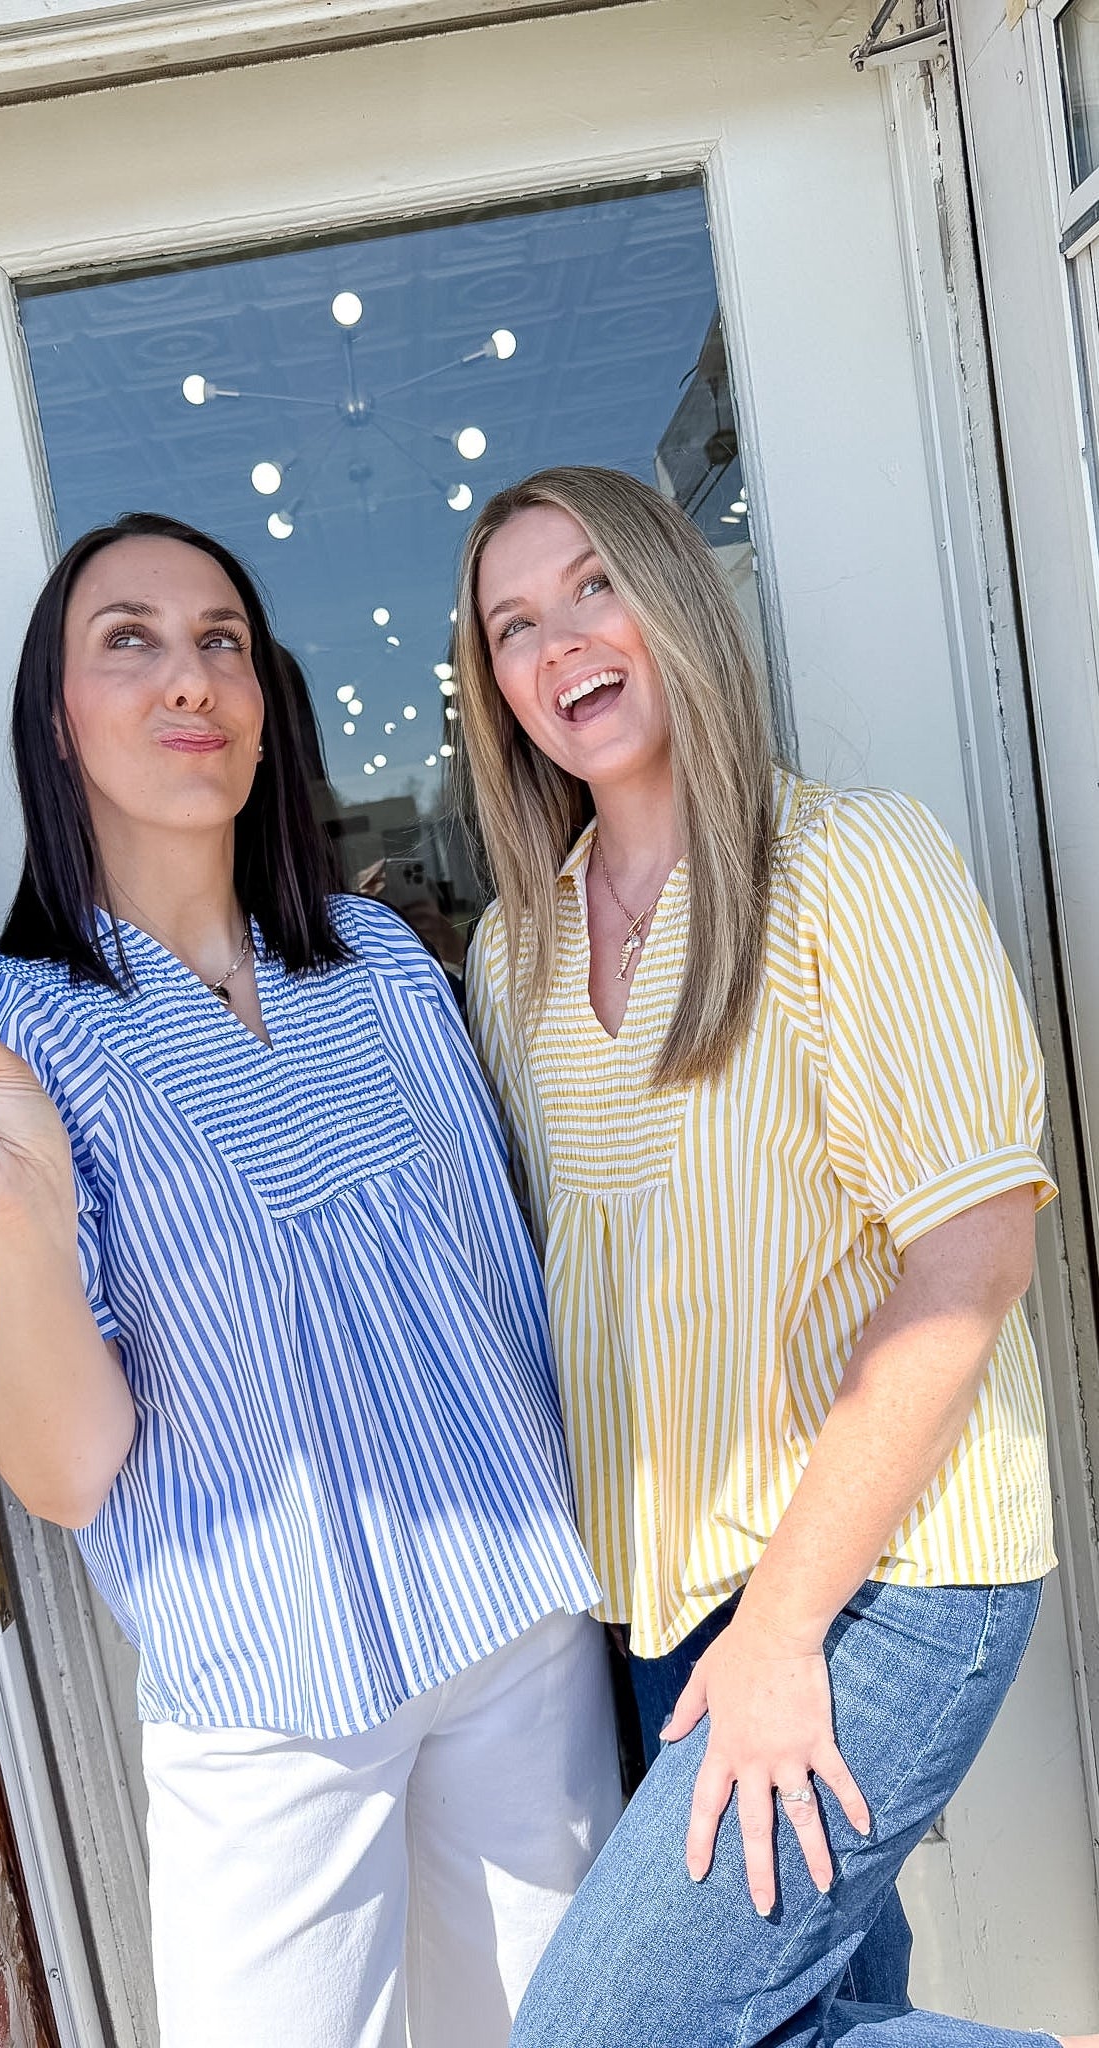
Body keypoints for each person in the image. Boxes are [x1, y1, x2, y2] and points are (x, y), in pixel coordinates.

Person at [0, 511, 621, 2048]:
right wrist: (25, 1219)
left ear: (263, 704)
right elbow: (63, 1468)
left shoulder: (378, 965)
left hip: (520, 1638)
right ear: (57, 717)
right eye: (133, 640)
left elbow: (517, 1286)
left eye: (221, 641)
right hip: (268, 1695)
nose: (190, 679)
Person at [454, 465, 1098, 2048]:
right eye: (512, 625)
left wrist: (782, 1629)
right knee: (775, 2014)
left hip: (878, 1576)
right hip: (665, 1591)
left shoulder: (846, 867)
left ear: (676, 595)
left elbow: (969, 1268)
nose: (560, 646)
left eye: (593, 586)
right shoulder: (513, 948)